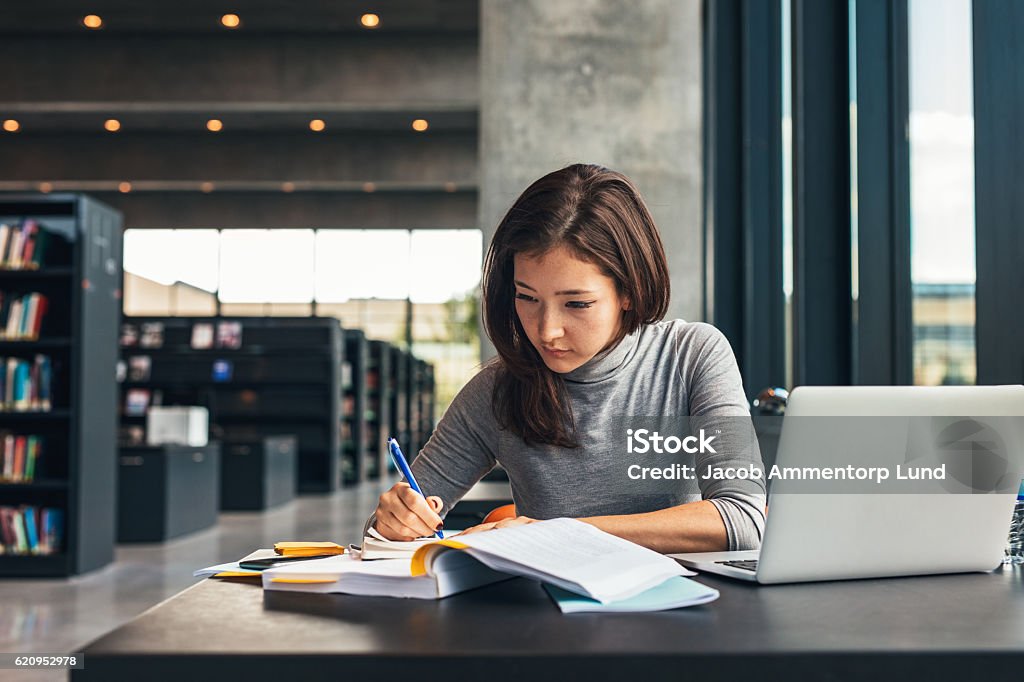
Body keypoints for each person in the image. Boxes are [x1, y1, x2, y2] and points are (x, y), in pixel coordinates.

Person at [371, 164, 766, 554]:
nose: (547, 331)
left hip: (682, 609)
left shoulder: (691, 356)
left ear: (628, 291)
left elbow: (743, 519)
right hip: (547, 615)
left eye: (576, 303)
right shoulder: (495, 390)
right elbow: (381, 537)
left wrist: (555, 533)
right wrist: (392, 523)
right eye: (527, 297)